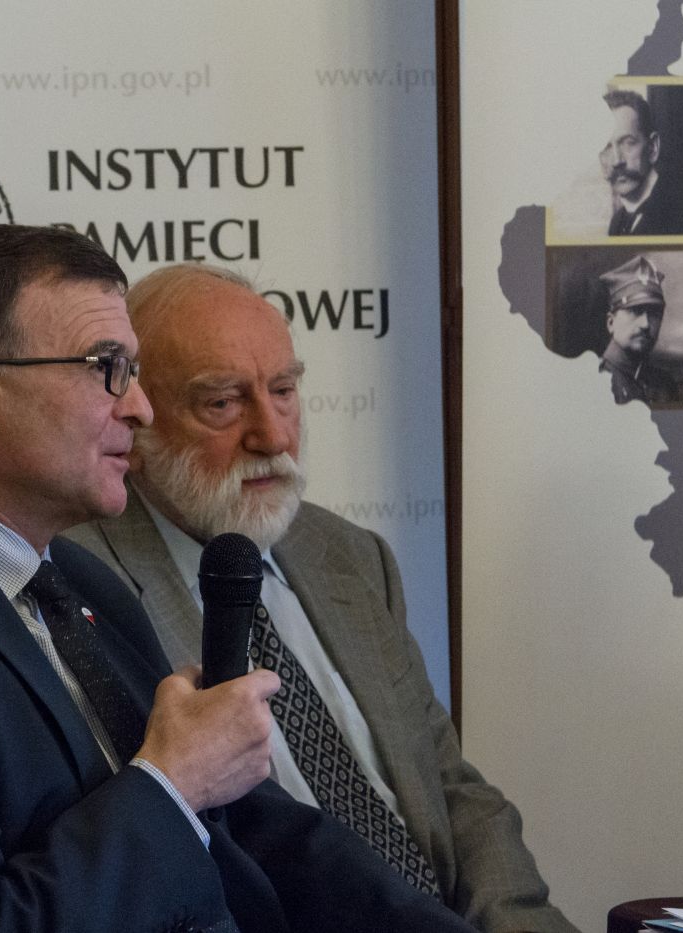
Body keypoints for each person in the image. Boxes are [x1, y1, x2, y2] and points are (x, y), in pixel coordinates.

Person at [0, 224, 478, 932]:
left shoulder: (79, 580)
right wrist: (169, 786)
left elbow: (257, 829)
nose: (139, 406)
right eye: (107, 367)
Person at [64, 262, 578, 933]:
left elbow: (450, 788)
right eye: (222, 403)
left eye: (283, 390)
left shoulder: (350, 556)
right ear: (138, 415)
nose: (273, 436)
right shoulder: (83, 586)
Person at [599, 88, 683, 237]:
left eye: (628, 143)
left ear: (653, 148)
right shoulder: (617, 223)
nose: (617, 161)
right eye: (606, 147)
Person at [596, 254, 676, 404]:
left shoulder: (665, 384)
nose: (645, 324)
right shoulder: (593, 381)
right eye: (635, 311)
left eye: (654, 313)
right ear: (611, 323)